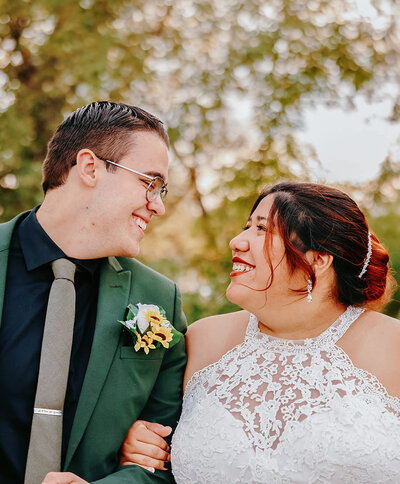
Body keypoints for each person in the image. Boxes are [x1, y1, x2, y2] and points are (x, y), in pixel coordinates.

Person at [121, 182, 400, 482]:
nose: (236, 242)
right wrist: (136, 444)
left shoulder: (392, 347)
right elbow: (155, 446)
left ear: (317, 259)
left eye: (262, 229)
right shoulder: (201, 341)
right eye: (246, 227)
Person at [0, 101, 187, 484]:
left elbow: (165, 463)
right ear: (90, 168)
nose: (159, 206)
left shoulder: (160, 299)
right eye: (150, 183)